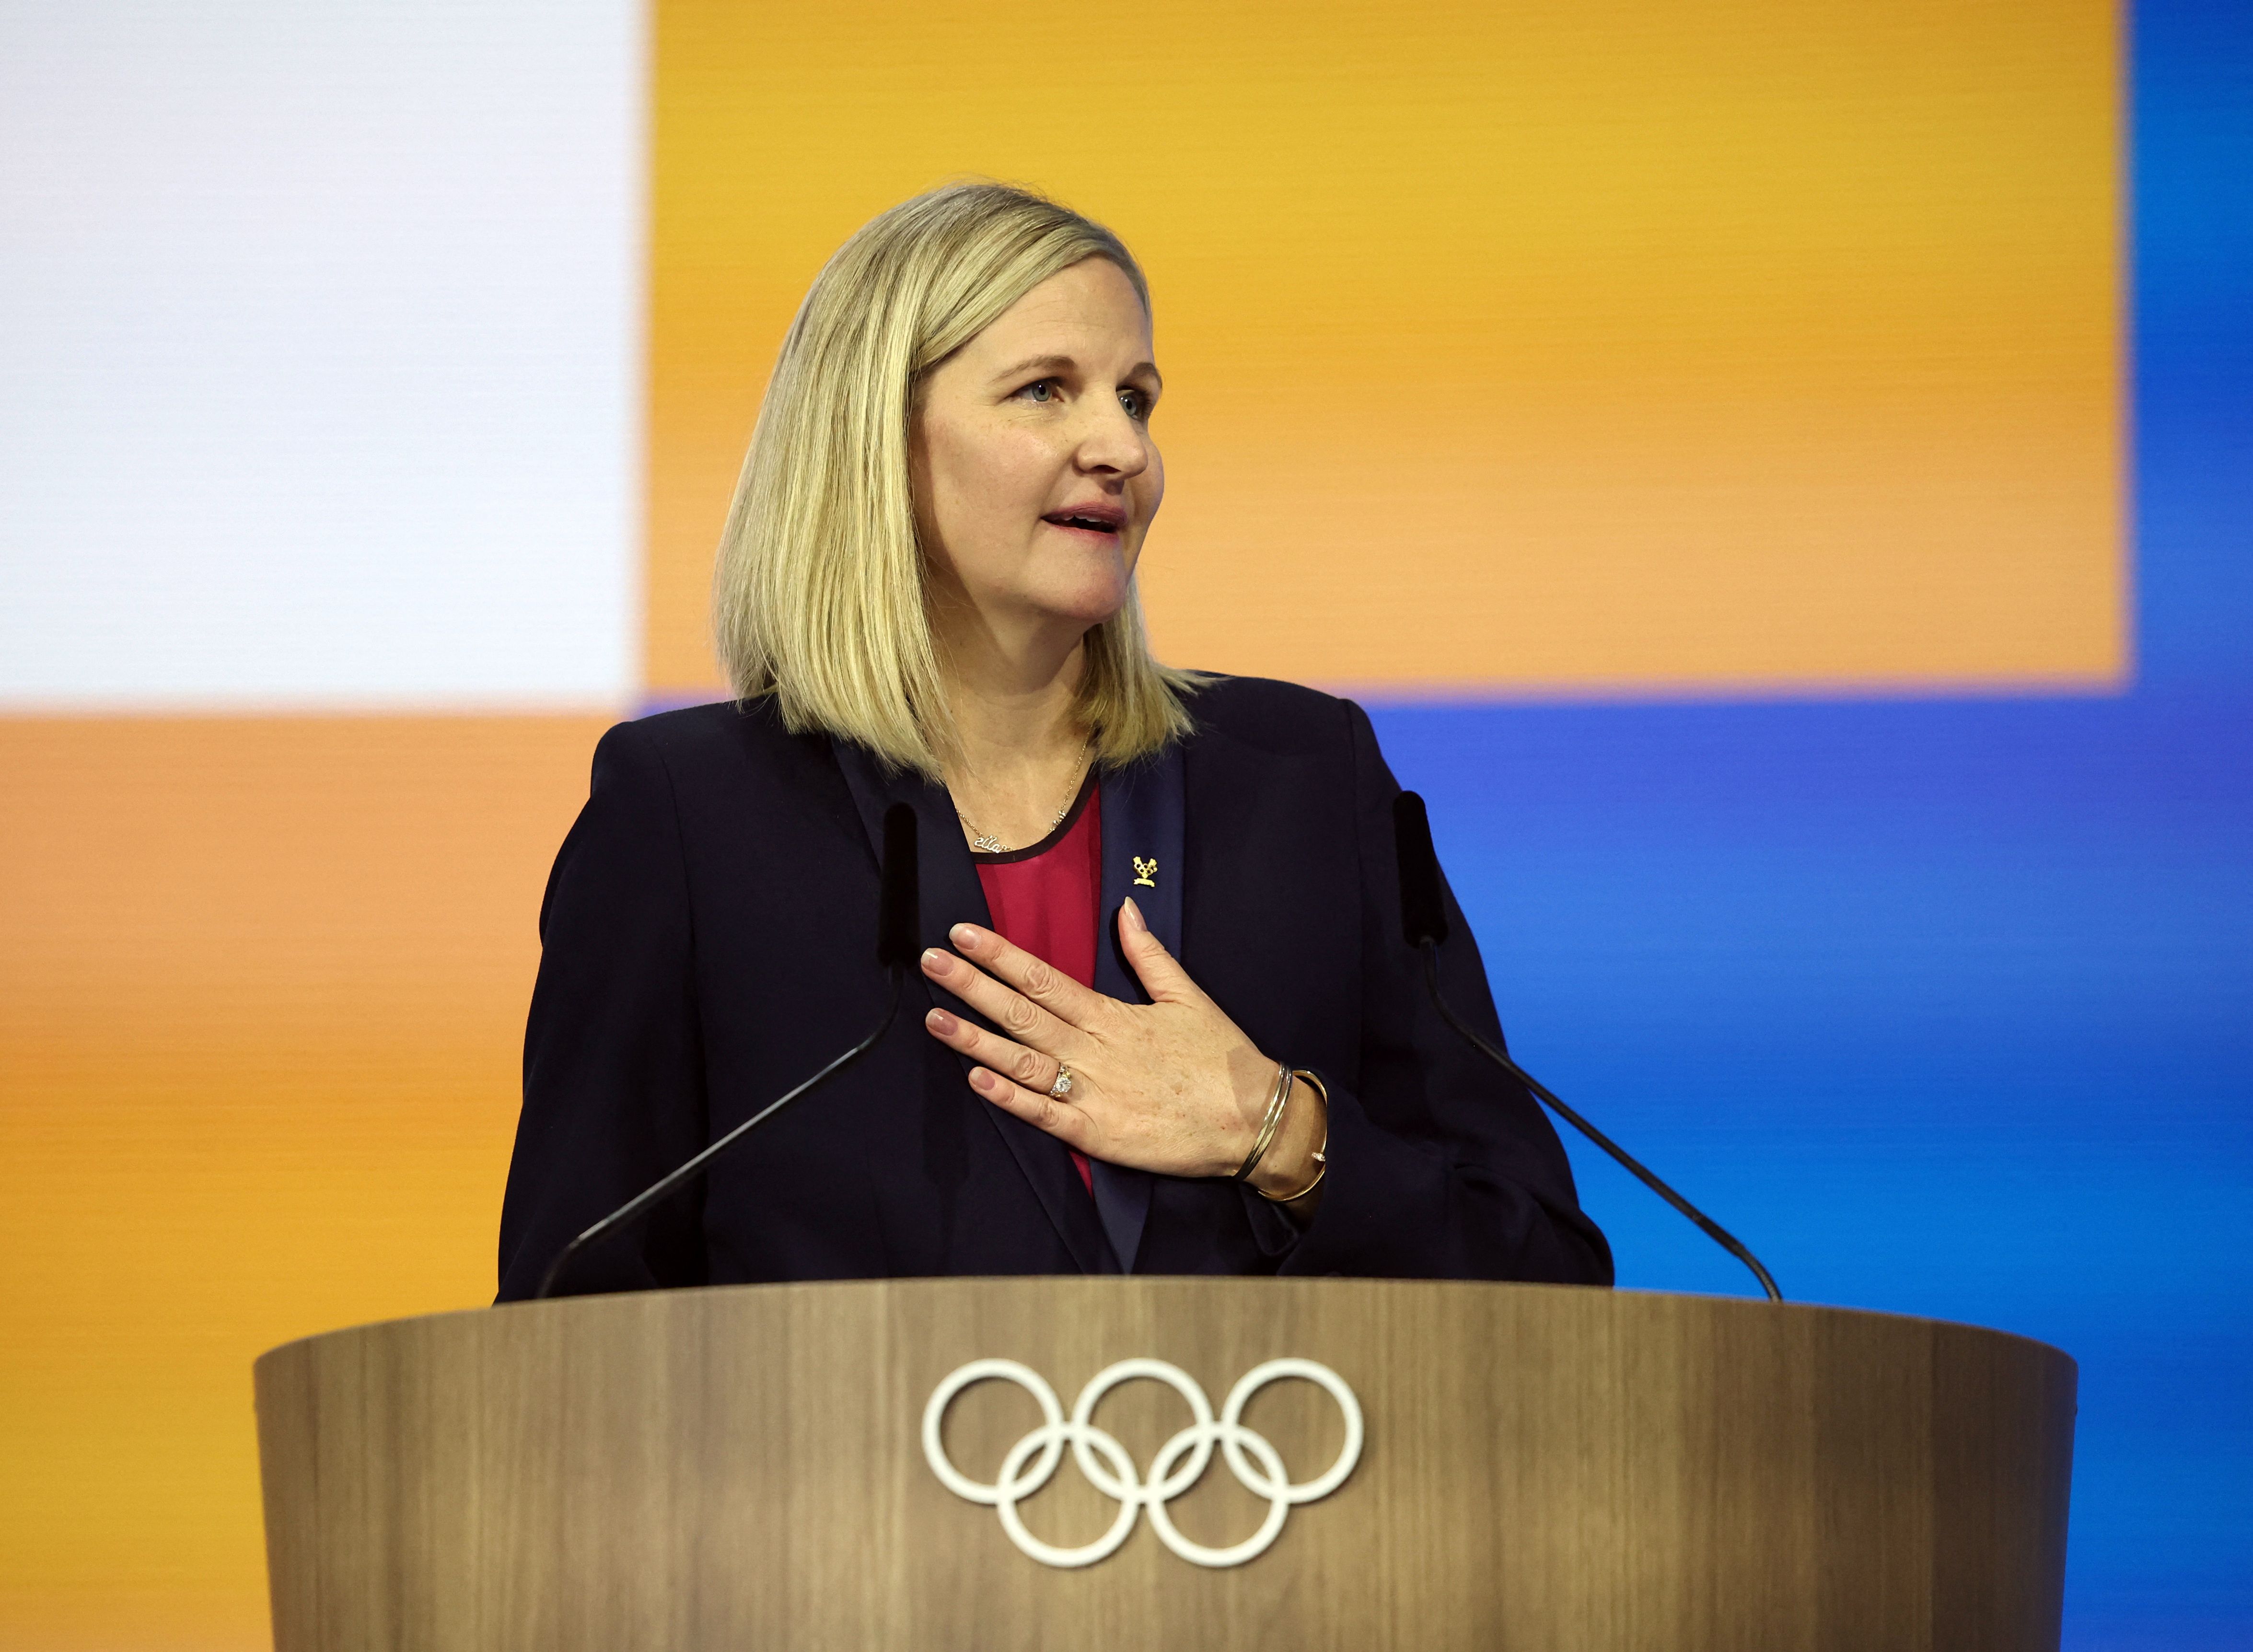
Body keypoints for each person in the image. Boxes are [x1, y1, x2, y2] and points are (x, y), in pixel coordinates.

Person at [496, 183, 1611, 1299]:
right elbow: (563, 1320)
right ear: (877, 441)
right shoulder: (691, 814)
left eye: (1136, 399)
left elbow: (1545, 1275)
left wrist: (1274, 1129)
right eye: (1045, 390)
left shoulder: (1303, 777)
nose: (1121, 447)